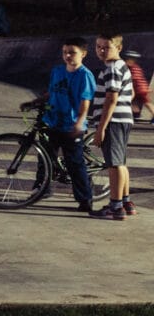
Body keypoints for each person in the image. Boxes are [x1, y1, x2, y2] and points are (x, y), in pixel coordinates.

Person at [42, 37, 96, 213]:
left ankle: (85, 198)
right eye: (65, 52)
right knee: (44, 157)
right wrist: (35, 101)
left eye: (72, 52)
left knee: (74, 163)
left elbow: (85, 101)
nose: (67, 55)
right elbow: (51, 92)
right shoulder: (57, 71)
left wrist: (80, 122)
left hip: (70, 125)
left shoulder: (84, 75)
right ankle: (42, 189)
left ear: (83, 54)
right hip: (52, 120)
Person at [91, 33, 135, 219]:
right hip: (123, 119)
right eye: (99, 46)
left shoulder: (112, 68)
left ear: (118, 48)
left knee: (114, 164)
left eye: (106, 47)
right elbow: (130, 94)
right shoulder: (122, 66)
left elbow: (111, 98)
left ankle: (115, 208)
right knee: (120, 162)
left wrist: (101, 128)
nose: (101, 50)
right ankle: (125, 202)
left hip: (113, 122)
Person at [124, 50, 149, 123]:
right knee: (134, 102)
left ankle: (134, 114)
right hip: (141, 88)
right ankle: (134, 114)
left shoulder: (132, 68)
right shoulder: (136, 67)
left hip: (139, 89)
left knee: (147, 103)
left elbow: (134, 79)